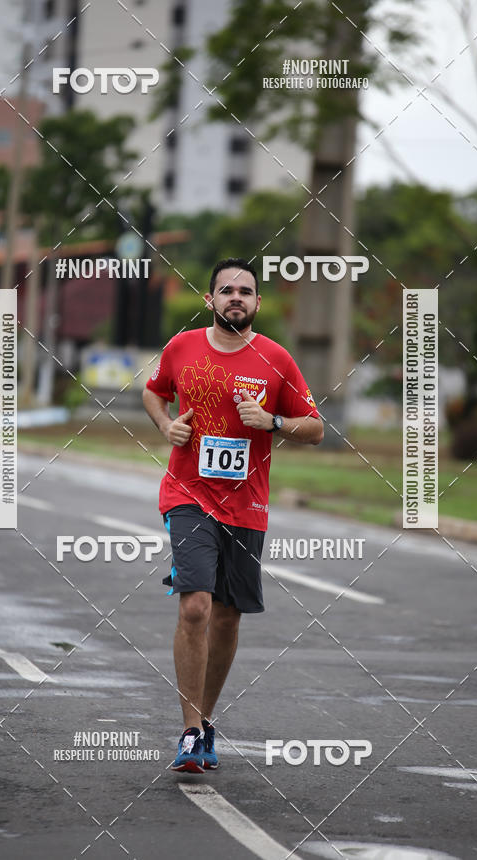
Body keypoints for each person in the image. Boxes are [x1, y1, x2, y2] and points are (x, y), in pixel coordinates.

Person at [142, 258, 323, 773]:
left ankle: (205, 720)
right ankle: (189, 731)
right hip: (187, 492)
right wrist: (165, 425)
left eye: (246, 291)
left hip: (248, 504)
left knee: (226, 615)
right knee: (196, 606)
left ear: (257, 303)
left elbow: (315, 428)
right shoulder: (182, 347)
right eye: (226, 291)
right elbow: (153, 392)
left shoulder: (277, 359)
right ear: (211, 300)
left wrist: (273, 421)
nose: (235, 298)